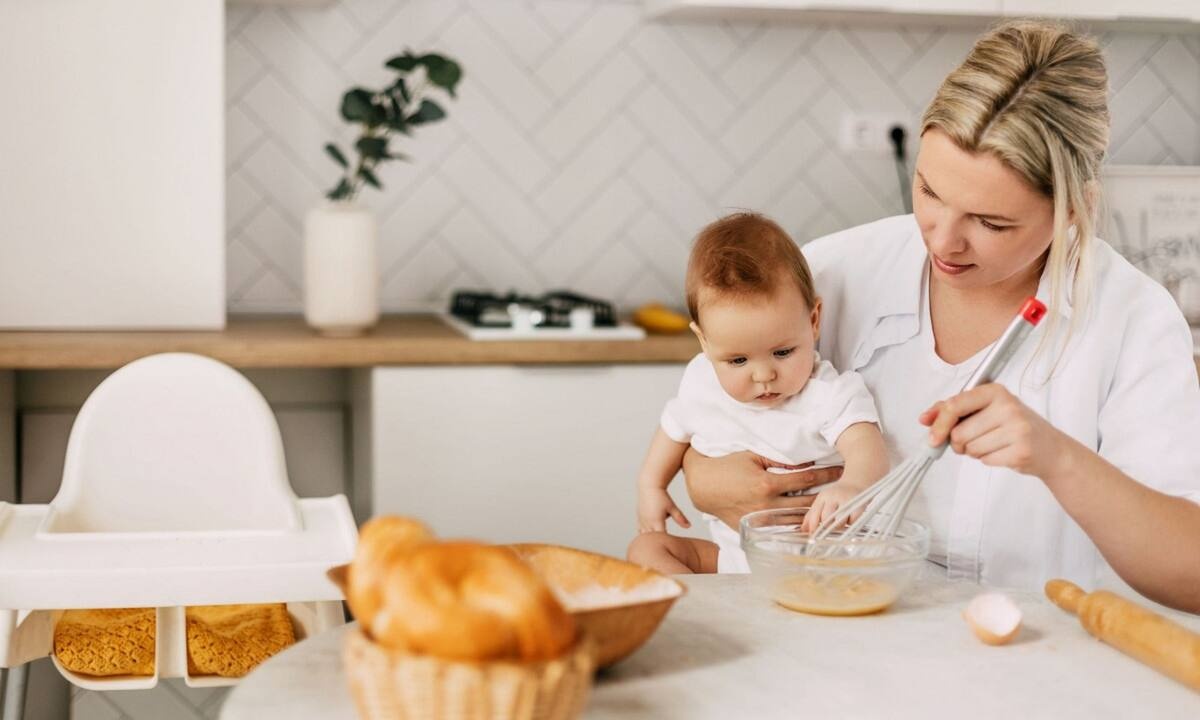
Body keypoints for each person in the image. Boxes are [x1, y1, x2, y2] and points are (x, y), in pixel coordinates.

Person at [682, 20, 1200, 612]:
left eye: (991, 222)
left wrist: (1058, 459)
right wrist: (704, 475)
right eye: (928, 192)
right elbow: (712, 418)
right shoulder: (829, 275)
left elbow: (1191, 575)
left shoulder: (1133, 321)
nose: (944, 241)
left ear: (1074, 208)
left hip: (1034, 672)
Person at [628, 213, 889, 574]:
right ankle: (699, 617)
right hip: (733, 558)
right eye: (737, 360)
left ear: (813, 321)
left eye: (783, 353)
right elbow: (674, 426)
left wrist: (853, 485)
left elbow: (866, 443)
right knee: (647, 548)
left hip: (813, 560)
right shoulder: (701, 381)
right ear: (703, 341)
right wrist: (651, 485)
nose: (764, 375)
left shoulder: (827, 394)